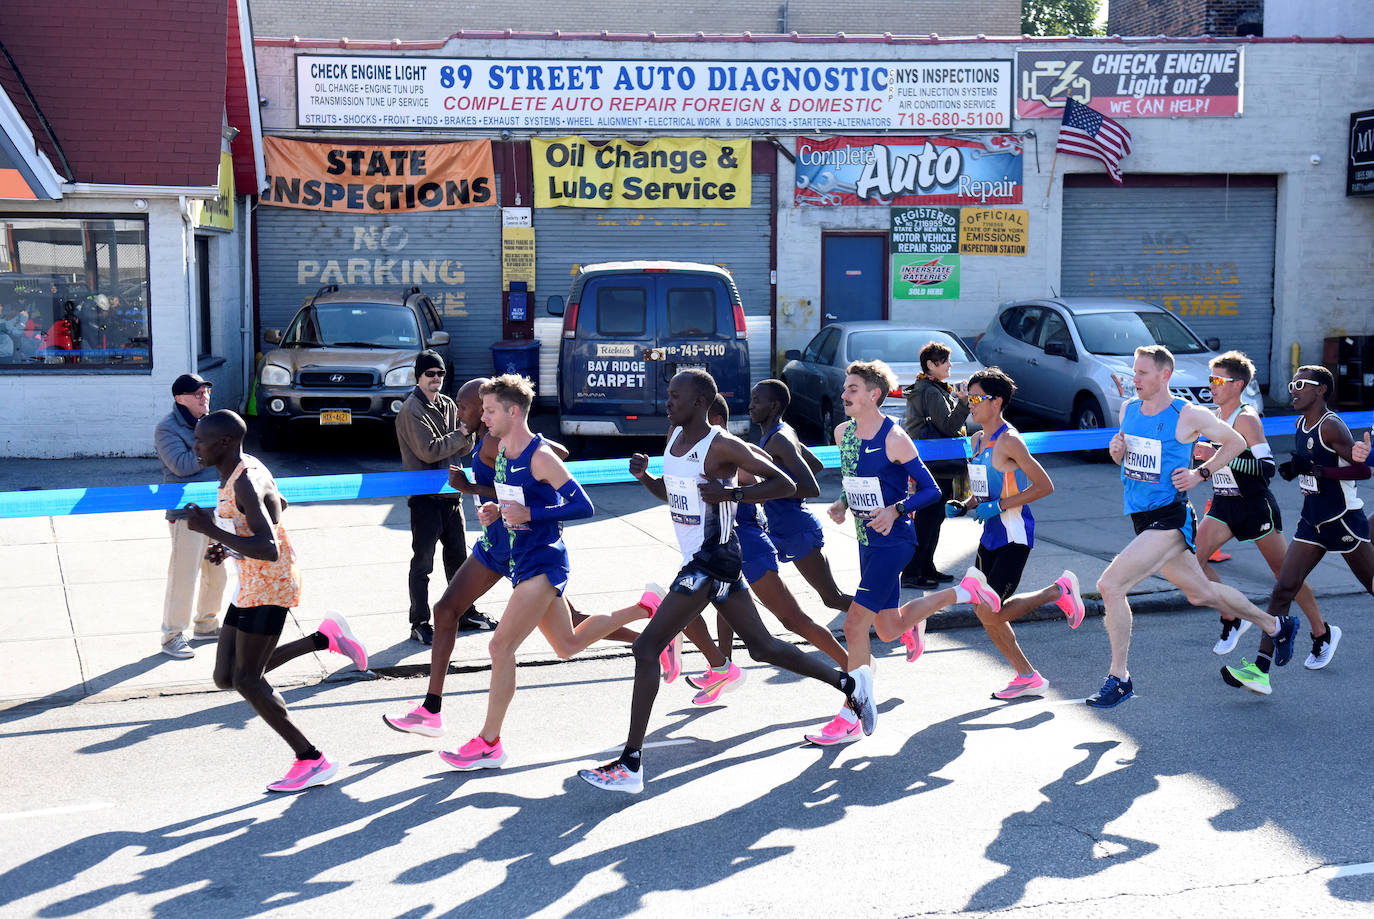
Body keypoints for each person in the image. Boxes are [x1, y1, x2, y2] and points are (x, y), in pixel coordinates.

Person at [578, 370, 875, 793]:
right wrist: (646, 479)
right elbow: (675, 493)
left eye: (676, 396)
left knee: (646, 647)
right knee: (762, 646)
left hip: (711, 560)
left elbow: (788, 483)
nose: (668, 402)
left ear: (700, 402)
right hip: (708, 560)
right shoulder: (674, 438)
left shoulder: (721, 444)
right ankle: (850, 685)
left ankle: (630, 763)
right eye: (669, 394)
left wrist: (733, 495)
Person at [384, 378, 666, 740]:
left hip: (527, 550)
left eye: (471, 407)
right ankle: (648, 615)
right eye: (475, 409)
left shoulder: (500, 442)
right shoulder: (497, 443)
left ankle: (483, 737)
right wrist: (495, 507)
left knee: (506, 642)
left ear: (507, 411)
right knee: (563, 641)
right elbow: (510, 489)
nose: (464, 413)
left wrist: (494, 490)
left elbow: (561, 475)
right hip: (501, 541)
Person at [1090, 345, 1294, 708]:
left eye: (1142, 373)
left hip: (1169, 518)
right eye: (1133, 372)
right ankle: (1277, 626)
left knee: (1110, 585)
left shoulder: (1186, 414)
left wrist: (1201, 473)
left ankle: (1119, 677)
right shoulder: (1128, 409)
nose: (1134, 379)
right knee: (1202, 593)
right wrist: (1116, 450)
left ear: (1164, 375)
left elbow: (1235, 441)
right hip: (1141, 516)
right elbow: (1124, 458)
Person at [182, 410, 368, 792]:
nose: (194, 446)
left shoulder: (245, 480)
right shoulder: (240, 468)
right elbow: (278, 505)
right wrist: (227, 546)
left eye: (200, 440)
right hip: (250, 583)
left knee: (248, 680)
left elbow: (267, 547)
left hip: (270, 585)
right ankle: (323, 639)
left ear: (225, 442)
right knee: (226, 677)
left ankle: (310, 757)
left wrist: (210, 529)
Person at [889, 367, 1086, 698]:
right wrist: (964, 505)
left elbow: (1044, 486)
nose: (970, 403)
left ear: (996, 403)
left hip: (1014, 533)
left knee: (990, 607)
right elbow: (982, 489)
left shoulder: (1010, 441)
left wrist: (1000, 506)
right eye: (969, 396)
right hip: (990, 535)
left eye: (976, 397)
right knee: (986, 613)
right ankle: (1028, 676)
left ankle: (1057, 592)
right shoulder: (976, 439)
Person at [806, 360, 941, 747]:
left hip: (895, 541)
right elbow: (858, 480)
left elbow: (931, 491)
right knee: (887, 628)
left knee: (853, 626)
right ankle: (962, 593)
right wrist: (843, 502)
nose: (844, 395)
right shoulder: (843, 433)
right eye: (845, 389)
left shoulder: (895, 438)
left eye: (852, 389)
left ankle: (854, 711)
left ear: (873, 395)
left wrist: (896, 509)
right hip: (866, 542)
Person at [1222, 366, 1374, 695]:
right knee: (1282, 589)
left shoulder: (1330, 425)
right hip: (1312, 522)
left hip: (1342, 519)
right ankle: (1260, 671)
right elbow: (1312, 470)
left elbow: (1363, 469)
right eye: (1292, 383)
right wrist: (1302, 471)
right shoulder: (1299, 424)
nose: (1293, 389)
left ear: (1320, 390)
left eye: (1300, 385)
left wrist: (1319, 469)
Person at [1194, 352, 1335, 667]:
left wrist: (1217, 454)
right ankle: (1232, 618)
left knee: (1284, 575)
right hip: (1222, 504)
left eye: (1218, 380)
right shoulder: (1212, 416)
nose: (1212, 386)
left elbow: (1266, 467)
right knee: (1193, 562)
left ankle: (1321, 632)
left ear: (1238, 385)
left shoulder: (1246, 418)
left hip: (1254, 506)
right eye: (1210, 380)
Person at [395, 349, 492, 644]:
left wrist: (462, 436)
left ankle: (464, 613)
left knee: (459, 561)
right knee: (423, 563)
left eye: (440, 374)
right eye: (430, 374)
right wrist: (460, 435)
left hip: (451, 495)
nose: (436, 379)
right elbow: (428, 451)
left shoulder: (450, 404)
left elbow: (464, 447)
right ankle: (419, 621)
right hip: (424, 498)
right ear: (418, 376)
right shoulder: (410, 410)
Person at [749, 380, 853, 613]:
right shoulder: (783, 432)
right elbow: (815, 464)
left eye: (757, 400)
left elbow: (811, 487)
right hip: (782, 526)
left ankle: (895, 620)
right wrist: (777, 489)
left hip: (796, 529)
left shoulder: (780, 439)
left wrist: (774, 491)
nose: (750, 406)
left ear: (774, 406)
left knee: (832, 598)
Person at [154, 373, 227, 659]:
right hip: (187, 512)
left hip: (217, 511)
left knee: (216, 573)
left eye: (206, 391)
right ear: (179, 398)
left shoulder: (213, 422)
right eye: (197, 393)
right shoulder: (166, 429)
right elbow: (182, 465)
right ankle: (172, 635)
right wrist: (218, 448)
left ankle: (206, 625)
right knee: (184, 575)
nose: (204, 397)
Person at [902, 341, 971, 589]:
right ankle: (912, 572)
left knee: (934, 516)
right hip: (935, 462)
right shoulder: (930, 391)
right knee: (928, 517)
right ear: (931, 365)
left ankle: (926, 566)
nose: (950, 366)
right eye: (946, 362)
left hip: (935, 461)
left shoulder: (932, 388)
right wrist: (963, 402)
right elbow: (948, 426)